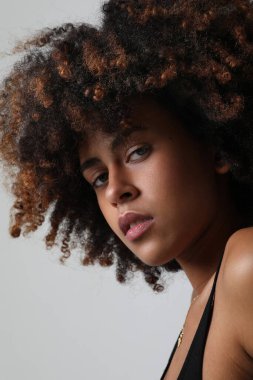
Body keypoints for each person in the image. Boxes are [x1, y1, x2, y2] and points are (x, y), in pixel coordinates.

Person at [0, 0, 253, 378]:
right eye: (98, 177)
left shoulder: (246, 264)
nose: (116, 191)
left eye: (137, 152)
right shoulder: (204, 303)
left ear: (214, 145)